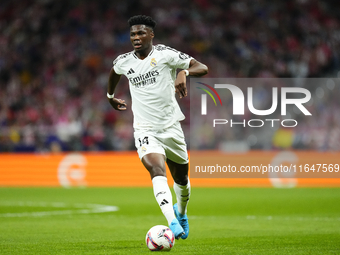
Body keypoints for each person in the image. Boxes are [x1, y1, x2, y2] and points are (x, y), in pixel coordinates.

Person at [107, 15, 208, 240]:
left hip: (171, 127)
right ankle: (170, 220)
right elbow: (114, 72)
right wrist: (110, 96)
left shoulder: (166, 55)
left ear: (151, 34)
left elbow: (202, 67)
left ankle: (181, 213)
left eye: (141, 33)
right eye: (133, 34)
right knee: (156, 169)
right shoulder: (124, 60)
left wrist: (185, 72)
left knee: (182, 180)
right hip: (145, 128)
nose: (136, 37)